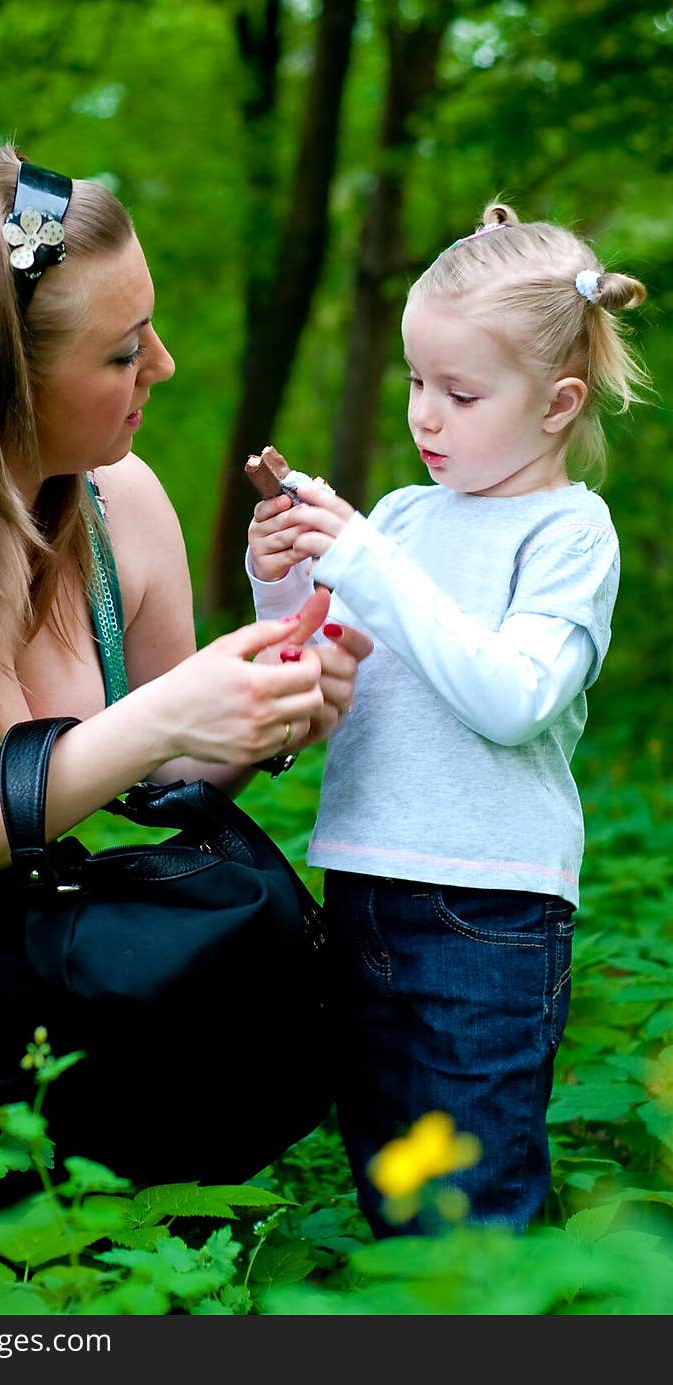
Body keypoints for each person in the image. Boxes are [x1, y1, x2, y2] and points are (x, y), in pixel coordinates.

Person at [0, 144, 371, 1145]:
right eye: (122, 351)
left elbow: (151, 778)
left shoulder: (121, 500)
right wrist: (159, 717)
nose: (163, 366)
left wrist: (263, 710)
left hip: (23, 974)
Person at [245, 202, 648, 1237]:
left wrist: (372, 564)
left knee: (471, 1199)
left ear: (558, 404)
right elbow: (310, 676)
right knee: (392, 1181)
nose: (427, 415)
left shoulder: (568, 530)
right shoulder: (401, 518)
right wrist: (279, 575)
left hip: (490, 912)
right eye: (417, 382)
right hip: (365, 884)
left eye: (460, 393)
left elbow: (511, 699)